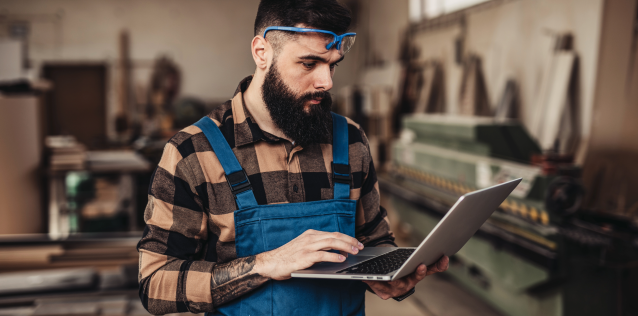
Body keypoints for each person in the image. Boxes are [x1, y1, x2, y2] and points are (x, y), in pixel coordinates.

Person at [137, 0, 449, 315]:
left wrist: (391, 275)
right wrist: (266, 263)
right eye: (309, 63)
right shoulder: (193, 152)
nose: (326, 82)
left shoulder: (350, 140)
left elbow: (375, 241)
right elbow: (155, 284)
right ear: (262, 52)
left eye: (332, 64)